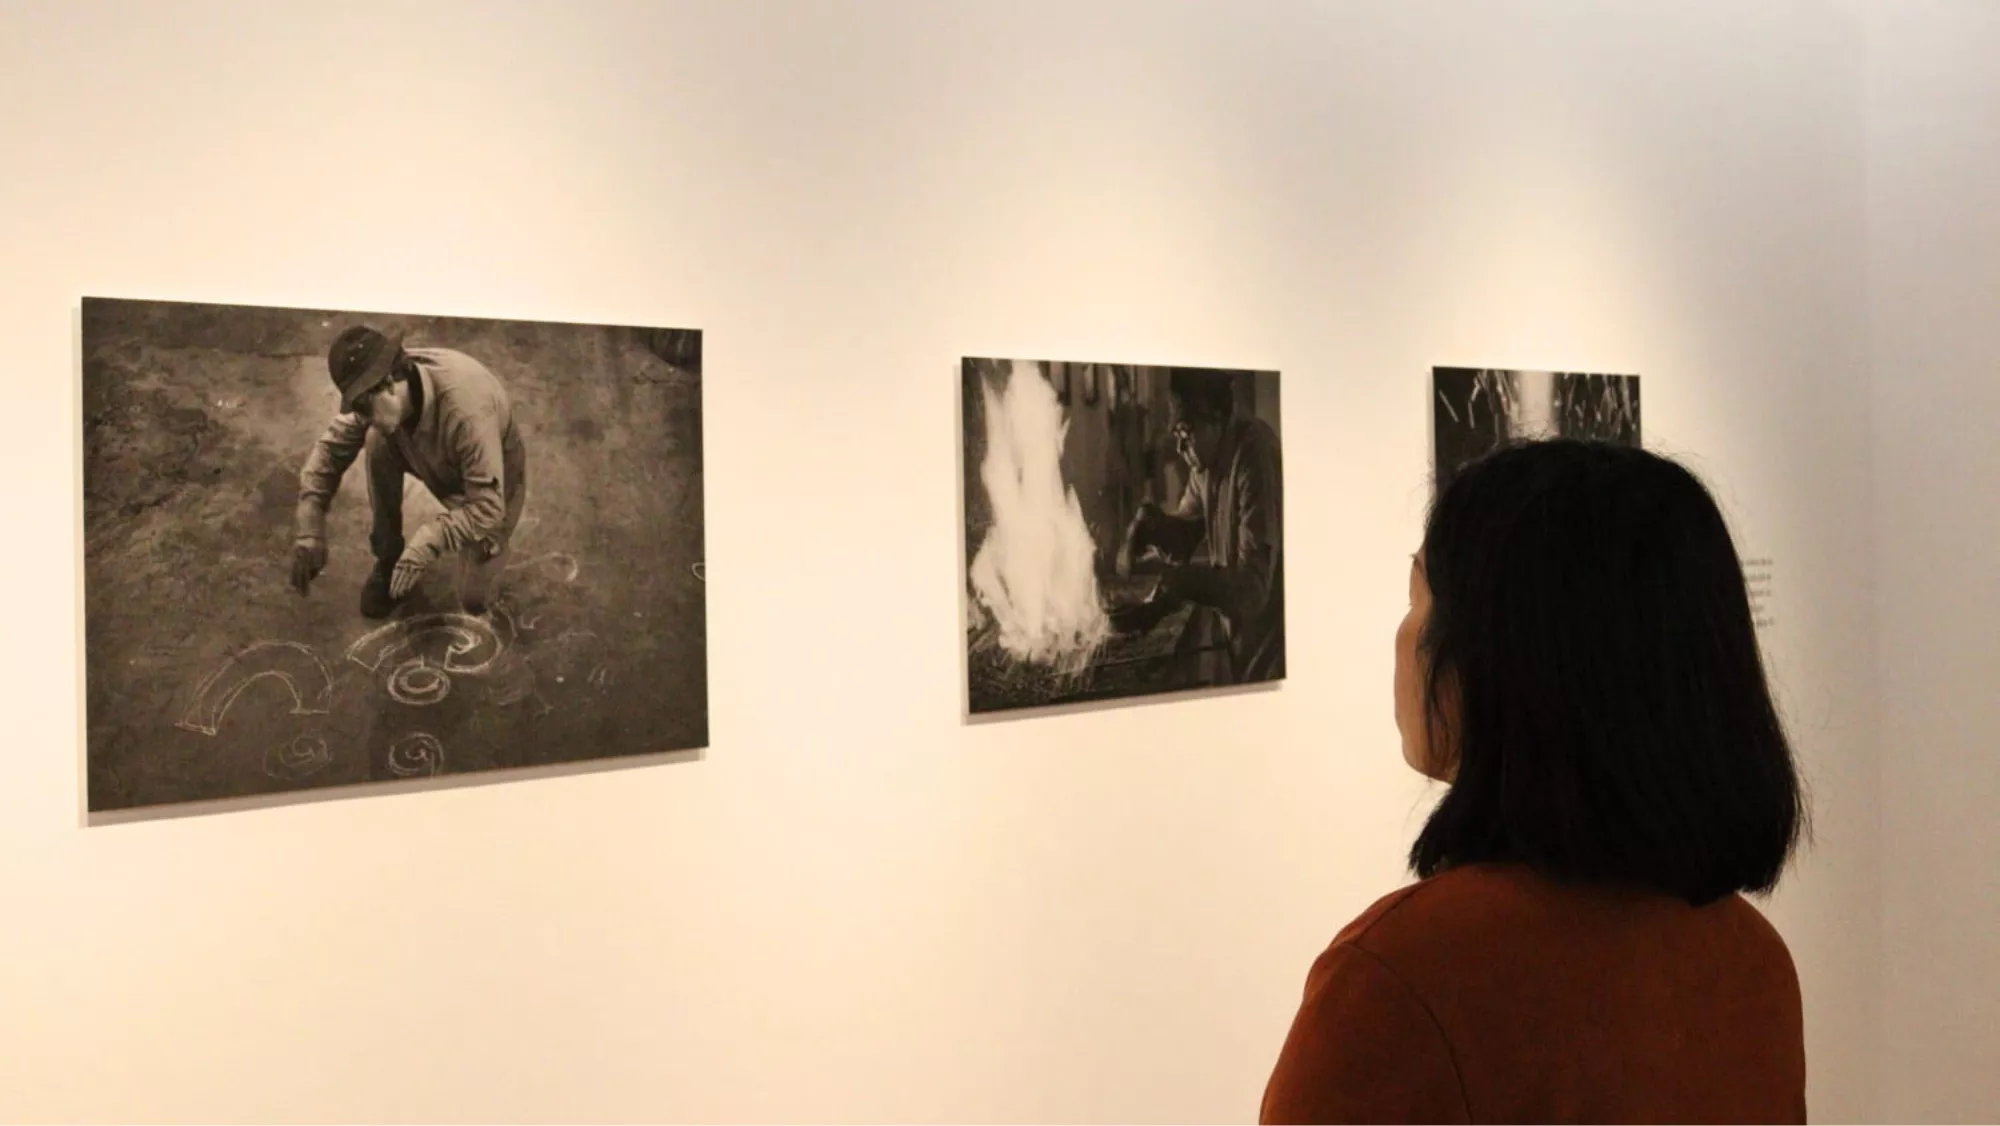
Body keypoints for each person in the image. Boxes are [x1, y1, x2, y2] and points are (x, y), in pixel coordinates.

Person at [1261, 439, 1809, 1124]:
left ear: (1501, 651)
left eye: (1418, 597)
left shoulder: (1403, 979)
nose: (1404, 636)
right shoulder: (1750, 962)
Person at [289, 325, 529, 619]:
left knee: (473, 600)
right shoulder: (380, 391)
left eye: (364, 407)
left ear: (389, 382)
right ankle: (389, 558)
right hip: (432, 457)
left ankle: (489, 554)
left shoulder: (467, 412)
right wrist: (310, 525)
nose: (361, 417)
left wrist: (428, 541)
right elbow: (330, 450)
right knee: (376, 439)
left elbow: (488, 506)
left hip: (491, 483)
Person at [1115, 368, 1284, 684]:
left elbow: (1252, 589)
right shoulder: (1205, 465)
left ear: (1219, 416)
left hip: (1273, 645)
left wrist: (1174, 582)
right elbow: (1185, 535)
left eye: (1185, 433)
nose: (1179, 449)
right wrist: (1153, 526)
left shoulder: (1253, 456)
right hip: (1241, 639)